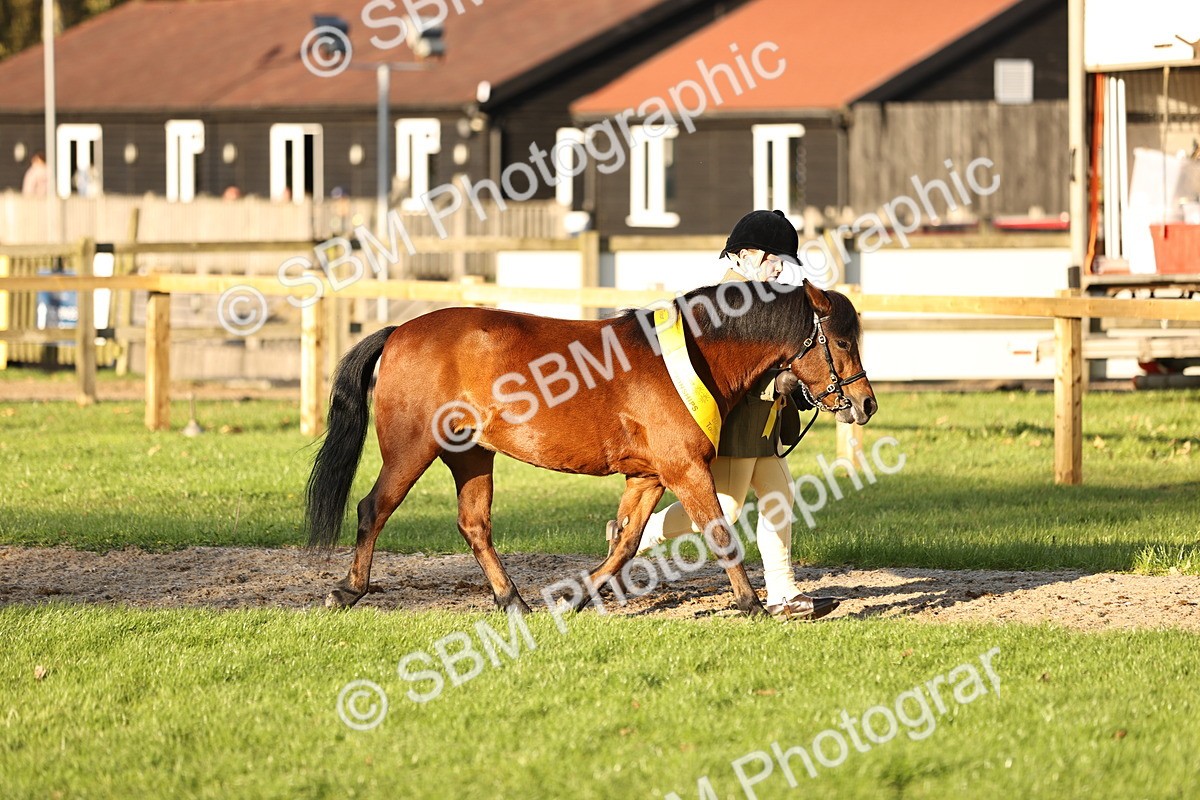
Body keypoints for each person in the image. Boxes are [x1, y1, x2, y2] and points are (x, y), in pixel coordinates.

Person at [605, 210, 839, 621]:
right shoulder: (723, 303)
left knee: (779, 500)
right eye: (773, 261)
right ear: (747, 255)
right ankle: (633, 534)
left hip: (765, 424)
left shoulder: (764, 301)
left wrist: (797, 385)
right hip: (735, 425)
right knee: (726, 510)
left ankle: (783, 594)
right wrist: (774, 381)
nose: (778, 269)